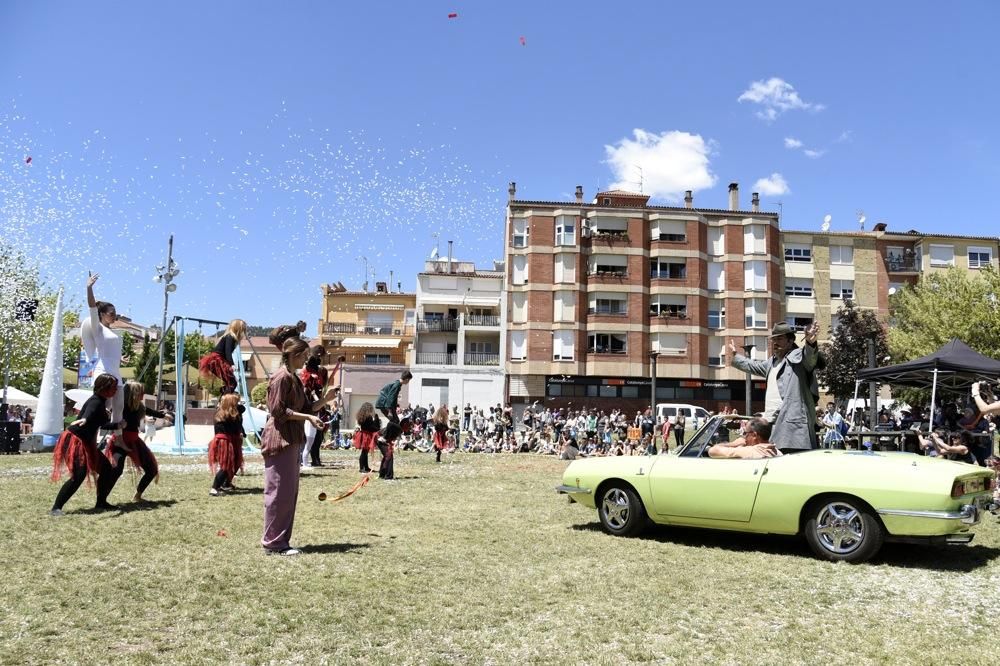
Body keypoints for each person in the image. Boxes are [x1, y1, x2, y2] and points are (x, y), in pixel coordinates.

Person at [260, 337, 338, 556]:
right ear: (293, 355)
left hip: (292, 440)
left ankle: (281, 542)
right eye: (303, 356)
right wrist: (307, 417)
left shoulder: (294, 378)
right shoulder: (281, 378)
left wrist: (326, 400)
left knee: (288, 494)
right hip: (279, 440)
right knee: (278, 493)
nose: (307, 360)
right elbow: (278, 411)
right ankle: (273, 543)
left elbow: (308, 407)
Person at [729, 321, 823, 452]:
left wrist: (810, 342)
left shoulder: (797, 358)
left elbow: (810, 358)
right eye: (773, 339)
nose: (775, 342)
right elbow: (753, 366)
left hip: (792, 427)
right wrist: (736, 356)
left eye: (779, 338)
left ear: (790, 341)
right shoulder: (771, 362)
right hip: (772, 424)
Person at [50, 374, 119, 515]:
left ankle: (101, 503)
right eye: (113, 387)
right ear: (105, 388)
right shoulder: (96, 401)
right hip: (76, 441)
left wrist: (118, 424)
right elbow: (90, 412)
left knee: (106, 469)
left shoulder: (102, 401)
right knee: (79, 475)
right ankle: (56, 508)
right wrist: (85, 419)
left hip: (86, 442)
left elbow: (102, 423)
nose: (116, 390)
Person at [102, 381, 171, 503]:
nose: (143, 395)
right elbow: (108, 418)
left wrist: (163, 415)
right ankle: (101, 499)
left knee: (151, 470)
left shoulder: (139, 406)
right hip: (120, 441)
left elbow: (150, 411)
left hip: (134, 441)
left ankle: (137, 495)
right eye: (140, 392)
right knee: (116, 470)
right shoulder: (120, 406)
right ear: (133, 393)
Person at [81, 273, 124, 439]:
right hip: (103, 373)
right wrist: (89, 288)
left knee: (119, 407)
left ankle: (116, 440)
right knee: (102, 407)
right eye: (111, 313)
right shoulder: (97, 328)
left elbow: (110, 349)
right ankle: (95, 436)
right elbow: (92, 307)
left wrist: (120, 359)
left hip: (115, 372)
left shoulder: (111, 331)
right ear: (103, 314)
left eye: (115, 313)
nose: (114, 316)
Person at [208, 394, 246, 496]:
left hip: (232, 440)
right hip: (224, 441)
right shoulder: (222, 414)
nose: (238, 404)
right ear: (231, 403)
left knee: (236, 463)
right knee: (226, 465)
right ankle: (214, 488)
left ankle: (226, 483)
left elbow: (243, 408)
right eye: (236, 402)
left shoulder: (233, 413)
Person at [299, 345, 330, 467]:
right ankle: (304, 459)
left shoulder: (318, 373)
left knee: (316, 435)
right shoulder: (308, 373)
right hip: (308, 406)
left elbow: (318, 390)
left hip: (316, 406)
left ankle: (312, 459)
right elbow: (307, 389)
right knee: (307, 435)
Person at [198, 319, 247, 395]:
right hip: (217, 360)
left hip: (216, 359)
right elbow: (228, 351)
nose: (243, 331)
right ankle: (226, 399)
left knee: (230, 382)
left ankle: (225, 395)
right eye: (243, 329)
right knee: (232, 382)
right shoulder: (230, 337)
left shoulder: (229, 337)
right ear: (238, 329)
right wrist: (232, 364)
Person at [708, 418, 781, 459]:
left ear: (754, 435)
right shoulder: (777, 452)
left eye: (745, 433)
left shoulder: (749, 451)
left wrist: (734, 444)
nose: (744, 437)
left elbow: (712, 451)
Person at [352, 402, 381, 473]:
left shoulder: (362, 416)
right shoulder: (368, 417)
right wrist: (376, 419)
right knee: (364, 452)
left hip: (364, 434)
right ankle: (362, 468)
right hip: (366, 435)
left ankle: (365, 467)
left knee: (365, 452)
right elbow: (373, 427)